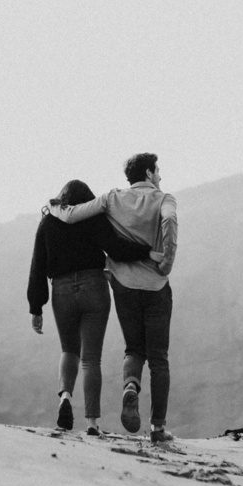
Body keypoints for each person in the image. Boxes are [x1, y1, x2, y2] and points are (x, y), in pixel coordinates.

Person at [45, 152, 178, 443]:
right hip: (156, 286)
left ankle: (131, 385)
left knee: (133, 349)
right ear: (147, 172)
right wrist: (165, 261)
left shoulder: (112, 199)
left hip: (124, 287)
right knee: (159, 359)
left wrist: (54, 207)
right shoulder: (165, 198)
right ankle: (157, 429)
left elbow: (71, 214)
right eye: (157, 170)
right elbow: (169, 222)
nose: (160, 175)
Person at [28, 179, 156, 435]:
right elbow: (117, 249)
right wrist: (147, 251)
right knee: (91, 359)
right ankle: (92, 423)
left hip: (62, 291)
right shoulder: (93, 219)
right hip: (94, 287)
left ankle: (65, 397)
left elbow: (38, 266)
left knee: (69, 350)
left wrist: (36, 307)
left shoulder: (48, 223)